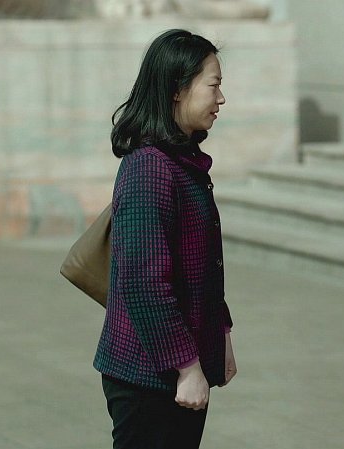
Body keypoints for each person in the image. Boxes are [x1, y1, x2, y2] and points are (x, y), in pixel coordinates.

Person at [93, 29, 236, 449]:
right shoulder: (150, 168)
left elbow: (201, 266)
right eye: (213, 85)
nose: (221, 99)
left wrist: (221, 334)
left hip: (171, 370)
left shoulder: (181, 161)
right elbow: (143, 283)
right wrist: (186, 366)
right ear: (177, 89)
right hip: (148, 377)